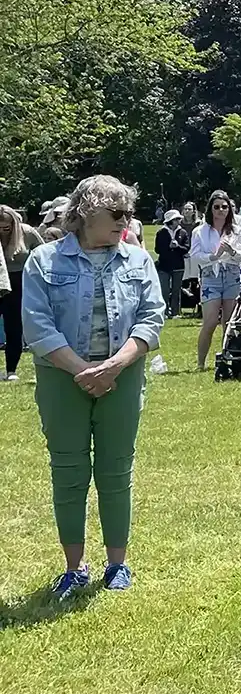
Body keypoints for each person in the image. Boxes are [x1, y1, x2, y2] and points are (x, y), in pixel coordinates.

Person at [21, 175, 165, 599]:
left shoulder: (138, 260)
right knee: (68, 472)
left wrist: (116, 366)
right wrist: (83, 369)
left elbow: (152, 318)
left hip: (123, 376)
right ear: (86, 213)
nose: (126, 221)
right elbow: (37, 324)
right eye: (117, 213)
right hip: (61, 378)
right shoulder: (43, 261)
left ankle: (117, 564)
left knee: (116, 471)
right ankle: (74, 567)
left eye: (129, 213)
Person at [190, 190, 241, 371]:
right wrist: (213, 257)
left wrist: (231, 251)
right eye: (217, 207)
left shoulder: (236, 230)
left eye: (225, 207)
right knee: (210, 321)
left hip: (232, 275)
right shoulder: (200, 231)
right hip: (210, 277)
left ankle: (227, 357)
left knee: (230, 323)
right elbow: (195, 255)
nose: (221, 210)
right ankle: (201, 363)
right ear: (210, 209)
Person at [0, 205, 45, 381]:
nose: (3, 232)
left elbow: (44, 252)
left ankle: (11, 370)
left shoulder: (28, 233)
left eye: (6, 228)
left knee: (14, 327)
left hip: (19, 282)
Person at [153, 209, 190, 318]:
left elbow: (186, 248)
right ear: (171, 221)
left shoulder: (182, 232)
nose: (179, 221)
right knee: (164, 290)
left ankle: (175, 312)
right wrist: (168, 247)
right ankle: (164, 312)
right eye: (177, 219)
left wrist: (177, 246)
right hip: (164, 266)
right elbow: (157, 249)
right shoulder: (161, 233)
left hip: (178, 265)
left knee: (176, 290)